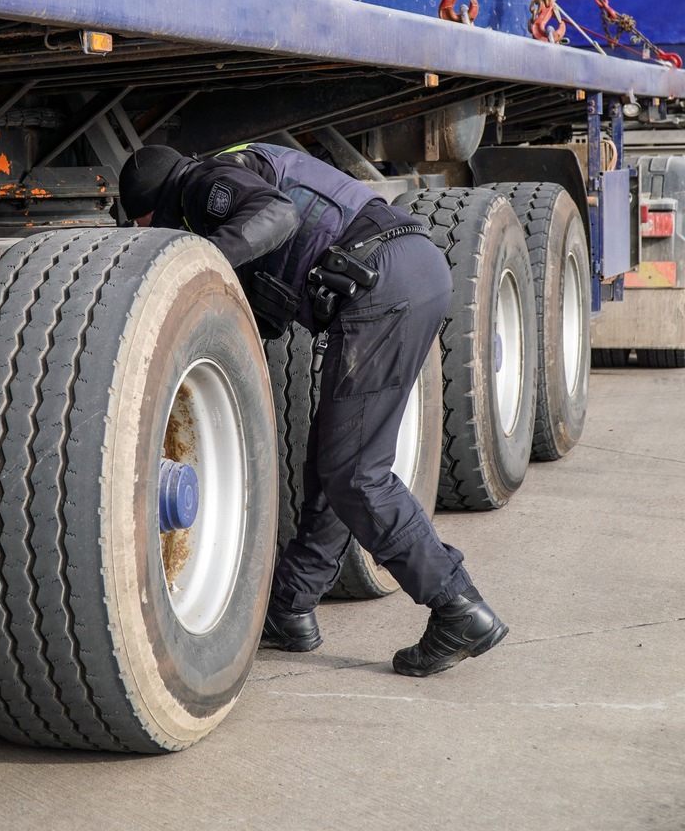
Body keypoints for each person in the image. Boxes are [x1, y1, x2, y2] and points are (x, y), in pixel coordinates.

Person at [118, 141, 508, 677]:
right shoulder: (233, 174)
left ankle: (457, 605)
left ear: (152, 201)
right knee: (335, 460)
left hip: (381, 284)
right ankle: (291, 608)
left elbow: (277, 217)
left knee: (356, 475)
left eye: (142, 222)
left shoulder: (204, 181)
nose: (147, 231)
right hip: (405, 271)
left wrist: (193, 262)